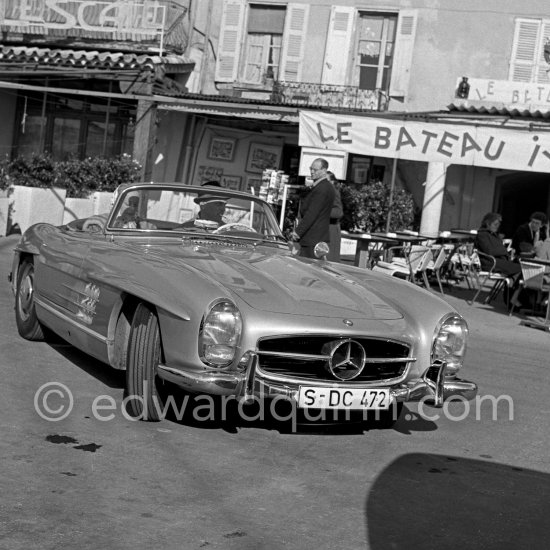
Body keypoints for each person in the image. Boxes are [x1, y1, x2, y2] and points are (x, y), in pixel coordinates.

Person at [290, 157, 335, 258]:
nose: (311, 171)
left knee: (308, 270)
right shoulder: (324, 187)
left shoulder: (322, 188)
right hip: (316, 238)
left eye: (315, 169)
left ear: (324, 171)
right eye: (311, 168)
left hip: (313, 239)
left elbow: (312, 213)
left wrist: (297, 232)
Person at [474, 212, 521, 278]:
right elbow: (489, 250)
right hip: (490, 263)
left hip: (498, 261)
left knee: (522, 267)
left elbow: (498, 248)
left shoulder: (494, 235)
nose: (497, 226)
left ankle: (511, 286)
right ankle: (511, 287)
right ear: (488, 224)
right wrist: (505, 251)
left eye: (498, 224)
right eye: (495, 224)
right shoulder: (482, 235)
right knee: (520, 269)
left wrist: (506, 252)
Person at [326, 171, 343, 262]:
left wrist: (322, 211)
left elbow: (338, 212)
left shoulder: (334, 191)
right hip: (323, 229)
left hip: (331, 229)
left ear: (332, 182)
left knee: (330, 260)